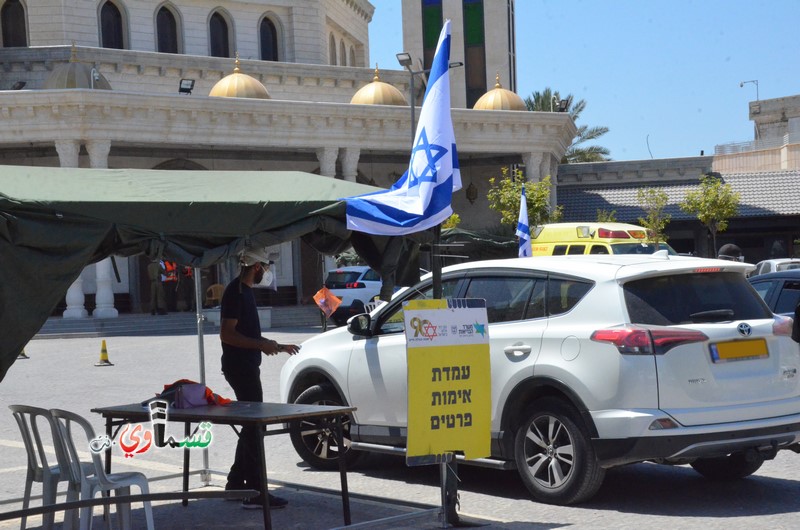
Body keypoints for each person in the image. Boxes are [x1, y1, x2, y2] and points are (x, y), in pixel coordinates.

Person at [220, 246, 299, 510]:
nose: (267, 272)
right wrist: (260, 346)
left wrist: (274, 345)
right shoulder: (235, 292)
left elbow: (249, 334)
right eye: (265, 268)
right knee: (255, 426)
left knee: (251, 426)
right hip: (239, 367)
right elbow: (227, 335)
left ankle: (235, 483)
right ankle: (254, 492)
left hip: (247, 365)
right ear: (256, 267)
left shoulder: (246, 293)